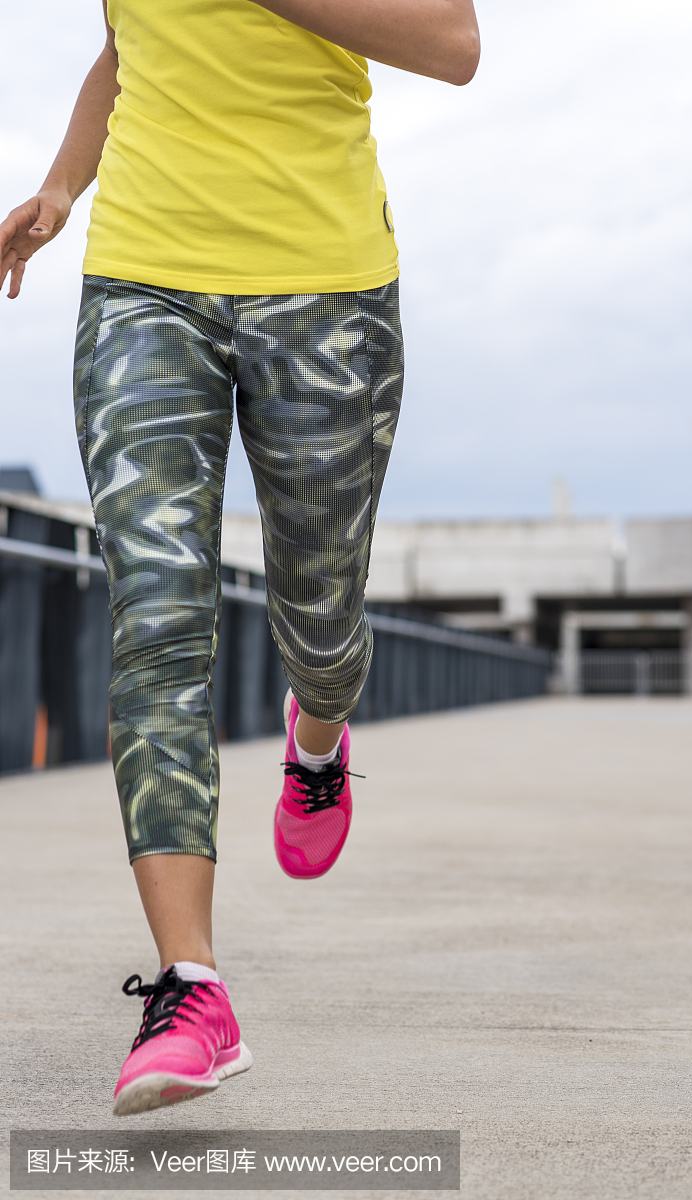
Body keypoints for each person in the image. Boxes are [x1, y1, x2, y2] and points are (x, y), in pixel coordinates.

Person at [0, 0, 479, 1116]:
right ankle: (191, 988)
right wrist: (64, 191)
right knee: (155, 619)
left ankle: (320, 737)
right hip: (142, 286)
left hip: (326, 290)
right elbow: (129, 47)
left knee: (318, 612)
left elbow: (452, 47)